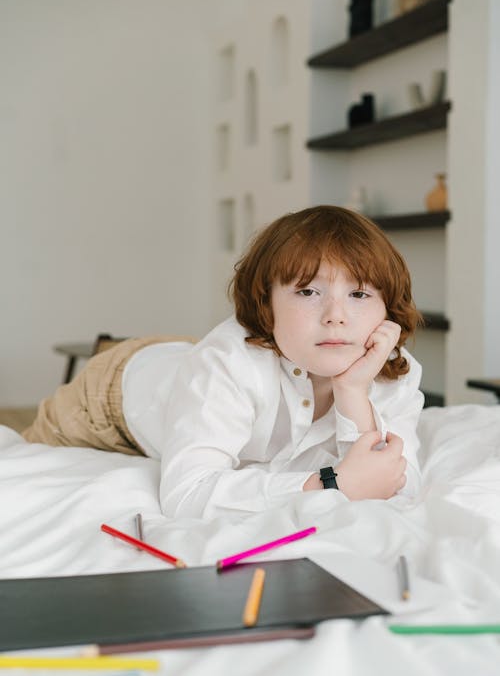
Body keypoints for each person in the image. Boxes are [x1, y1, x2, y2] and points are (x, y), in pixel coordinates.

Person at [23, 206, 424, 519]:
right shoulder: (228, 364)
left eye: (359, 295)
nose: (336, 314)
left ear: (387, 307)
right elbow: (188, 495)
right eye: (307, 292)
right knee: (25, 463)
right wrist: (332, 485)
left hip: (192, 363)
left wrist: (352, 392)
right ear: (266, 304)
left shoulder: (391, 368)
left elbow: (394, 482)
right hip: (110, 397)